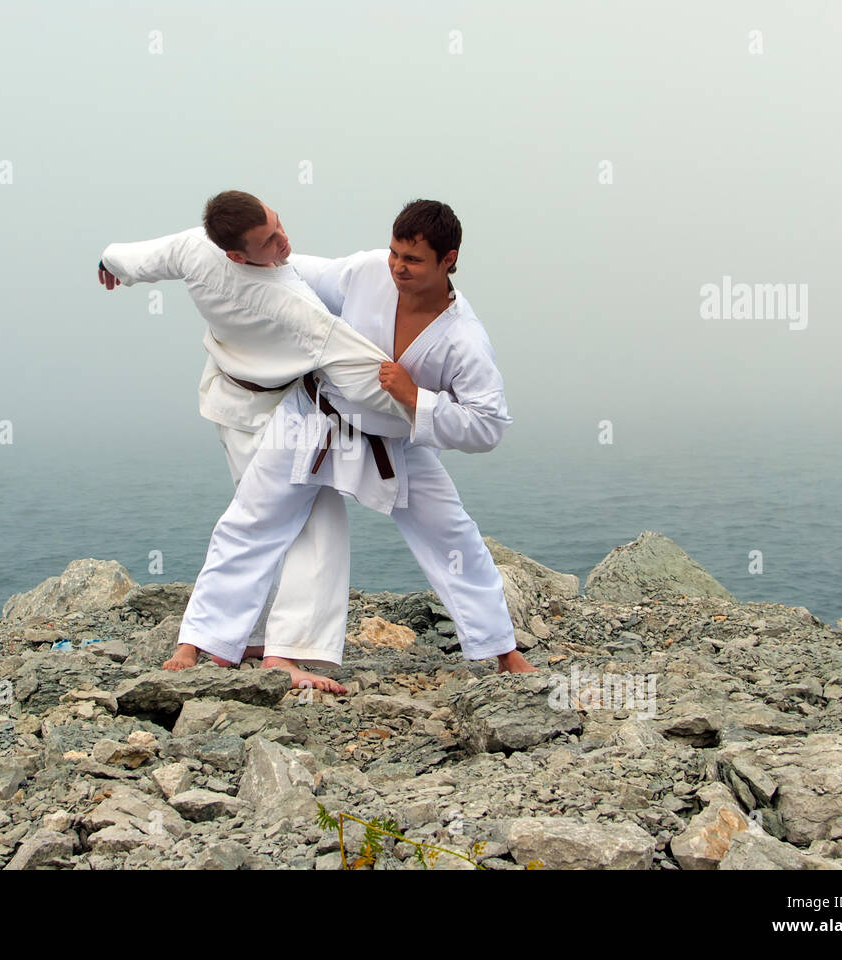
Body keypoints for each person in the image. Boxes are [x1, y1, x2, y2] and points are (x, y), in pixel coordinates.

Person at [173, 200, 539, 675]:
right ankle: (203, 640)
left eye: (413, 260)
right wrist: (240, 255)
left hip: (391, 440)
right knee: (250, 521)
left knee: (452, 534)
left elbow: (488, 425)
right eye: (394, 253)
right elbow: (295, 274)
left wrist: (417, 399)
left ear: (448, 260)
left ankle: (500, 648)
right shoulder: (369, 272)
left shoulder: (463, 339)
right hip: (314, 417)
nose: (398, 268)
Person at [98, 190, 413, 692]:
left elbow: (142, 257)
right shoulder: (285, 301)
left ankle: (222, 638)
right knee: (313, 524)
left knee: (252, 521)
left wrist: (110, 262)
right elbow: (359, 365)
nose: (283, 239)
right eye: (269, 240)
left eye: (278, 223)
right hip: (277, 416)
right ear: (236, 255)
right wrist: (426, 407)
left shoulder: (194, 246)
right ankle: (286, 654)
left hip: (228, 400)